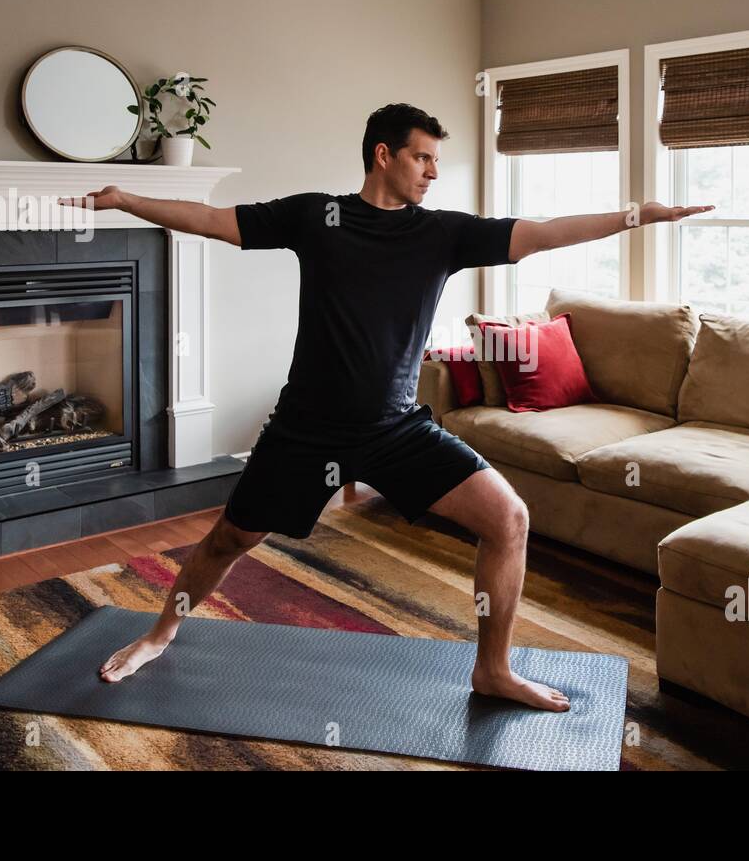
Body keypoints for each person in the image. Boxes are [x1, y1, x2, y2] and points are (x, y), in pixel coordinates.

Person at [58, 103, 711, 711]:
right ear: (382, 155)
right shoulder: (318, 218)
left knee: (508, 518)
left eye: (435, 161)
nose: (431, 171)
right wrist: (123, 199)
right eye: (421, 157)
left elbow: (539, 234)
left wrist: (636, 216)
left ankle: (492, 668)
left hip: (396, 431)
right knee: (231, 536)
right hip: (305, 431)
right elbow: (213, 220)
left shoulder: (443, 235)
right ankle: (161, 632)